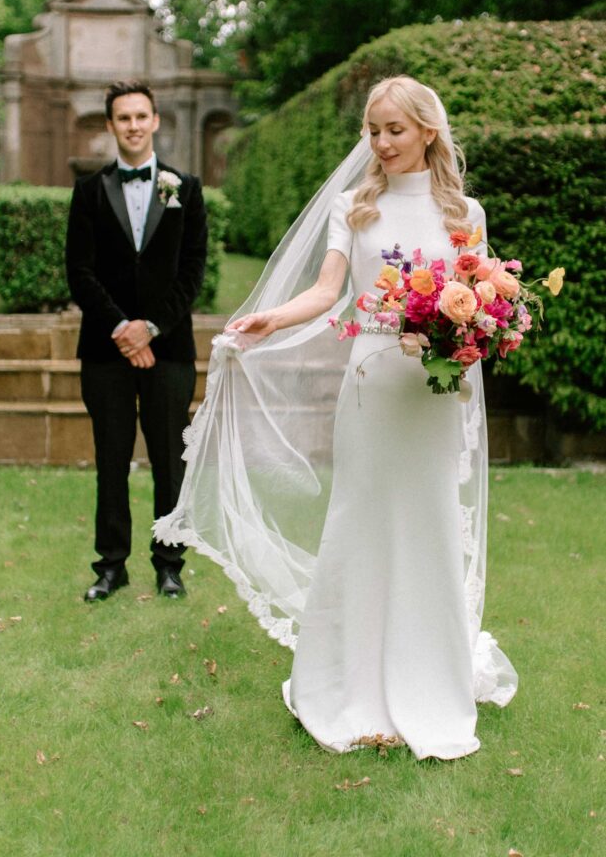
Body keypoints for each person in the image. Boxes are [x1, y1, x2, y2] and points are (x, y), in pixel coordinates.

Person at [155, 75, 517, 759]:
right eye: (372, 131)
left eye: (394, 130)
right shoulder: (353, 207)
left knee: (430, 526)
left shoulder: (464, 212)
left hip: (432, 397)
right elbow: (327, 292)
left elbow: (477, 297)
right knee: (361, 523)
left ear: (426, 133)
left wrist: (471, 346)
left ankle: (430, 680)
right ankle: (342, 683)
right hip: (371, 389)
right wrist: (266, 320)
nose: (380, 143)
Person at [66, 80, 207, 602]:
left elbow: (192, 272)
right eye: (122, 117)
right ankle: (110, 567)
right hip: (105, 350)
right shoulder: (88, 191)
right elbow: (79, 271)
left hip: (168, 348)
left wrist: (150, 328)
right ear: (110, 126)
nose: (132, 125)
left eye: (140, 116)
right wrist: (122, 329)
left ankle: (169, 564)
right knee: (111, 458)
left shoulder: (184, 189)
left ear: (155, 122)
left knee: (171, 458)